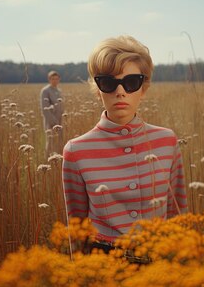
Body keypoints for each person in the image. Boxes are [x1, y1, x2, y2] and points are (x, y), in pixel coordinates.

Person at [62, 35, 188, 255]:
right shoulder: (76, 151)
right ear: (98, 89)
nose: (120, 92)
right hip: (103, 263)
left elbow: (177, 212)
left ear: (143, 88)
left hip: (160, 260)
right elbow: (77, 227)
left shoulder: (167, 141)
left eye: (131, 82)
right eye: (109, 83)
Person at [40, 70, 64, 156]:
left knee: (59, 142)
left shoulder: (59, 90)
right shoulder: (45, 91)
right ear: (49, 79)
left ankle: (58, 159)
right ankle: (47, 160)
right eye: (53, 79)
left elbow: (60, 106)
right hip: (50, 121)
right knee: (50, 142)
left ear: (59, 79)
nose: (55, 80)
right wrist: (54, 122)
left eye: (57, 79)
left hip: (59, 120)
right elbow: (45, 109)